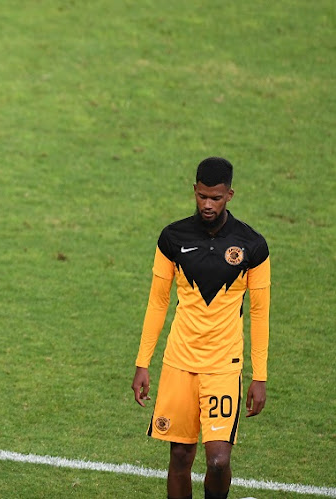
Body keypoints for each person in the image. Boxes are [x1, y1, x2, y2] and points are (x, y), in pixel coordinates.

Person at [131, 157, 271, 499]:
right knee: (180, 455)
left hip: (224, 366)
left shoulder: (252, 245)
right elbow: (157, 302)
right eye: (203, 196)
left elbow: (260, 310)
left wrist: (260, 375)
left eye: (217, 198)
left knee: (219, 460)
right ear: (194, 191)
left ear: (230, 195)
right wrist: (142, 363)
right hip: (179, 363)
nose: (208, 205)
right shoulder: (172, 238)